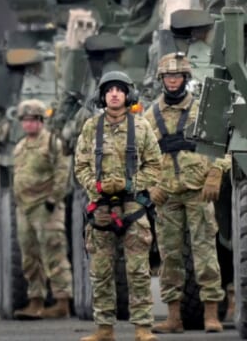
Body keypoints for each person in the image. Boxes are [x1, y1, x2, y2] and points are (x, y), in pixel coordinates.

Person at [143, 53, 229, 334]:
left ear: (185, 79)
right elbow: (135, 156)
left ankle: (211, 314)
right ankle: (173, 317)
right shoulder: (150, 116)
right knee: (170, 258)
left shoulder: (201, 110)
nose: (172, 81)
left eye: (177, 76)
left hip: (198, 192)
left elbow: (222, 144)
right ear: (161, 80)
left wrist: (216, 173)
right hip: (166, 195)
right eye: (168, 77)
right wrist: (149, 186)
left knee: (206, 254)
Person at [74, 71, 162, 341]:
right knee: (100, 272)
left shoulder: (141, 127)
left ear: (127, 96)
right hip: (100, 209)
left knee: (138, 271)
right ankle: (104, 328)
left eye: (119, 90)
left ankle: (143, 328)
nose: (114, 94)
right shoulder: (91, 127)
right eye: (109, 90)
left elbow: (155, 166)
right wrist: (95, 187)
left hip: (133, 207)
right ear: (102, 96)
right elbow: (80, 165)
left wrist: (132, 185)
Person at [12, 99, 73, 320]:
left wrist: (53, 199)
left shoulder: (52, 143)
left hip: (46, 207)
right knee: (29, 257)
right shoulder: (20, 147)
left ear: (41, 121)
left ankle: (61, 302)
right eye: (25, 120)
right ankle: (35, 301)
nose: (28, 124)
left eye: (33, 120)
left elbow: (62, 171)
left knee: (54, 253)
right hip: (25, 208)